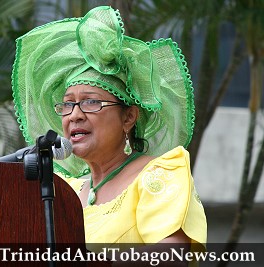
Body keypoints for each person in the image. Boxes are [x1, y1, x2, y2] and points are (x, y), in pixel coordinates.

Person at [11, 5, 207, 266]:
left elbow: (170, 258)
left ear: (128, 117)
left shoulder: (159, 174)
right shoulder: (61, 190)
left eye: (91, 102)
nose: (75, 115)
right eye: (67, 104)